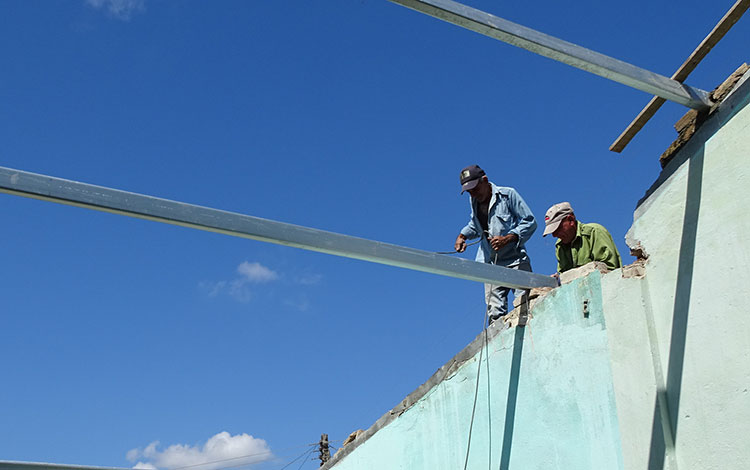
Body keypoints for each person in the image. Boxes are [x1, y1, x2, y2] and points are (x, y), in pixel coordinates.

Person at [454, 165, 537, 322]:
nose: (473, 193)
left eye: (474, 188)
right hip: (490, 264)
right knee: (495, 315)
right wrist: (462, 236)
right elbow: (475, 224)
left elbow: (530, 221)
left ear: (484, 180)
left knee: (524, 306)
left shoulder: (508, 195)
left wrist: (509, 238)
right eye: (469, 191)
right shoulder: (474, 201)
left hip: (515, 261)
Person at [543, 202, 622, 273]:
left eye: (557, 229)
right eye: (552, 232)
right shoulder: (560, 246)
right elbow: (564, 276)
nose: (554, 235)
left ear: (571, 220)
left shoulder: (594, 232)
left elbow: (609, 269)